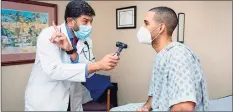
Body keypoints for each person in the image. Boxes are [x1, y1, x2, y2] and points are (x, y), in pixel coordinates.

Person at [25, 0, 120, 111]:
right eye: (85, 21)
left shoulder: (86, 41)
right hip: (47, 100)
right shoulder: (49, 35)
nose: (89, 26)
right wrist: (98, 65)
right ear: (70, 21)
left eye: (91, 22)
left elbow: (88, 73)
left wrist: (71, 51)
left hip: (73, 98)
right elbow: (55, 70)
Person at [110, 6, 209, 111]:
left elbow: (184, 107)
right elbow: (155, 94)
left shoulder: (178, 54)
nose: (142, 28)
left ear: (161, 28)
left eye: (146, 23)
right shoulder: (162, 55)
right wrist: (146, 107)